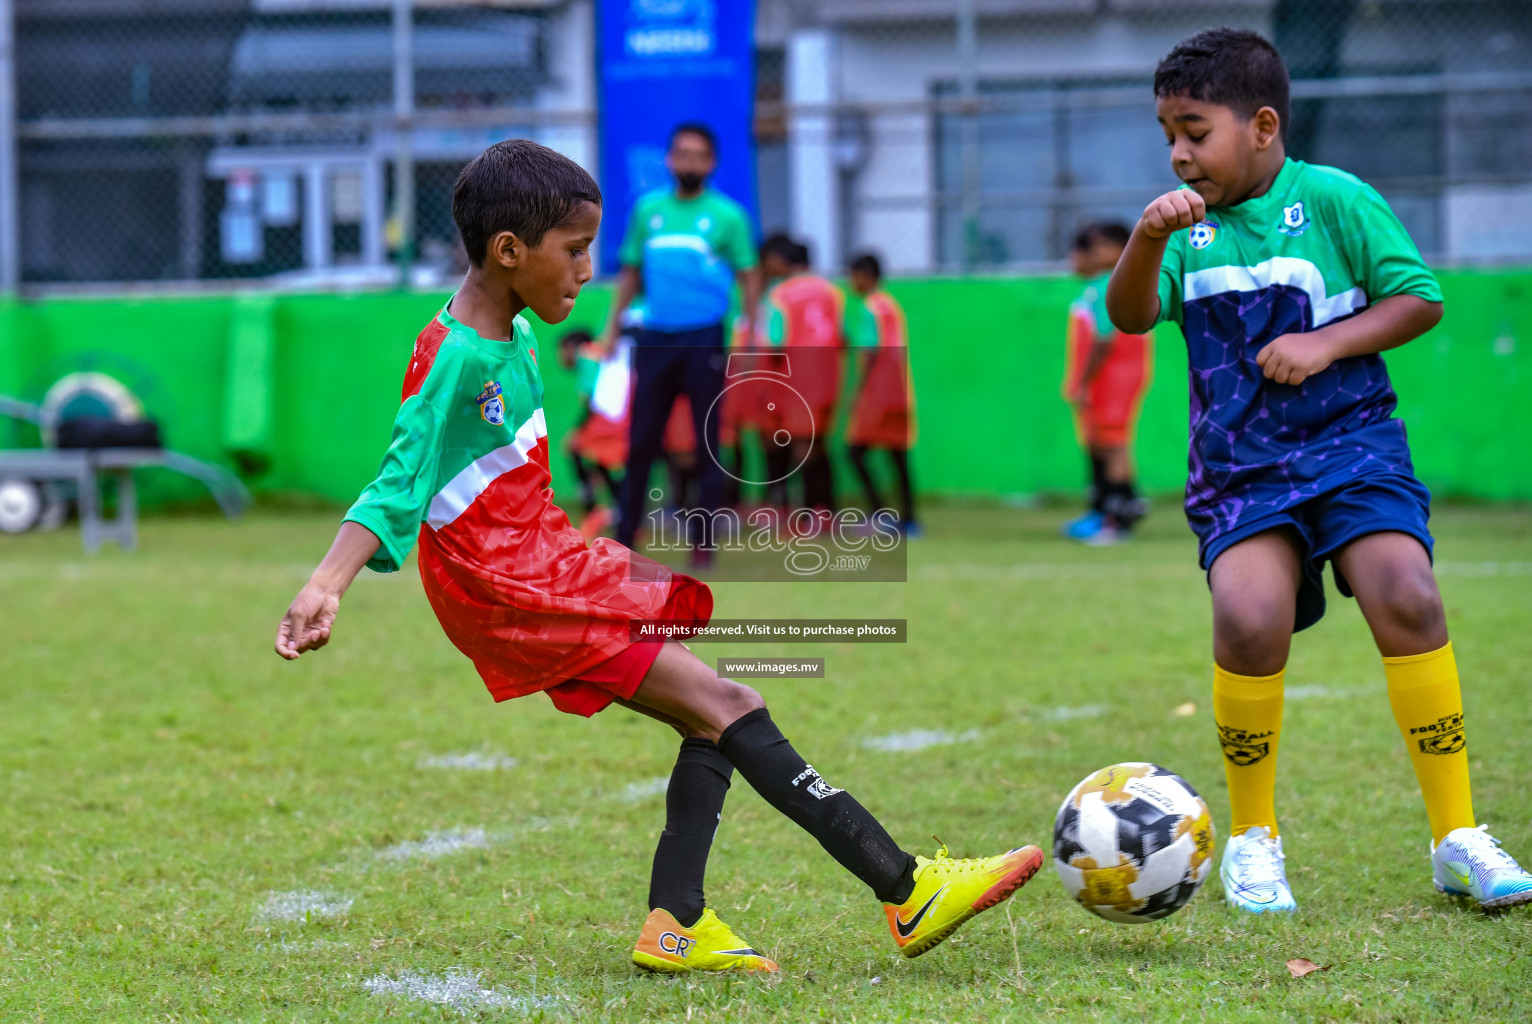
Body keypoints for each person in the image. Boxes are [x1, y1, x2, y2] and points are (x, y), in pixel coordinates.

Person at [273, 138, 1044, 974]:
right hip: (513, 584)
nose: (587, 272)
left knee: (711, 709)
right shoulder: (457, 353)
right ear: (509, 252)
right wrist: (327, 582)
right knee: (725, 700)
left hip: (545, 560)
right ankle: (905, 889)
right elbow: (401, 475)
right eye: (573, 253)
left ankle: (676, 923)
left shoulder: (514, 334)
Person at [1106, 28, 1532, 912]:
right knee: (1249, 614)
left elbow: (1417, 296)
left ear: (1262, 125)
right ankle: (1254, 841)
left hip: (1352, 447)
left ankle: (1457, 835)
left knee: (1407, 593)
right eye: (1167, 137)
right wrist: (1144, 239)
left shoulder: (1335, 199)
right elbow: (1130, 315)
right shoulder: (1183, 232)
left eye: (1195, 130)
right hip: (1241, 471)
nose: (1180, 154)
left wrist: (1324, 342)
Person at [604, 123, 762, 566]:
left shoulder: (729, 216)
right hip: (655, 340)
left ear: (711, 163)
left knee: (707, 442)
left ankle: (704, 542)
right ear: (670, 160)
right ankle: (625, 539)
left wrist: (752, 332)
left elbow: (750, 276)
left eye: (699, 156)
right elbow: (630, 274)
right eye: (682, 154)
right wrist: (611, 329)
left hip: (705, 338)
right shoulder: (647, 211)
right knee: (641, 443)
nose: (689, 162)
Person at [1062, 223, 1151, 545]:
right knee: (1101, 442)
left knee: (1114, 445)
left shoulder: (1112, 285)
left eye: (1100, 247)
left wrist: (1083, 381)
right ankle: (1105, 511)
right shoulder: (1095, 288)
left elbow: (1103, 337)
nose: (1087, 256)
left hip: (1115, 377)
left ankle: (1116, 519)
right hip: (1106, 377)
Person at [759, 234, 844, 519]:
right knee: (818, 443)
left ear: (780, 261)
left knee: (799, 447)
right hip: (829, 378)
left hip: (797, 380)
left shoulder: (780, 294)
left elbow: (775, 343)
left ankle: (810, 512)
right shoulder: (831, 291)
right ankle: (827, 508)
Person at [844, 252, 919, 536]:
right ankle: (910, 520)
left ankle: (879, 514)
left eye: (853, 275)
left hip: (877, 393)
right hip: (899, 392)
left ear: (865, 276)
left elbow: (868, 352)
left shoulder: (869, 308)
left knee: (854, 452)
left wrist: (858, 391)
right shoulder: (890, 306)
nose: (851, 282)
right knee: (898, 457)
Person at [558, 327, 625, 541]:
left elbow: (591, 398)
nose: (561, 358)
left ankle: (593, 509)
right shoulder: (598, 353)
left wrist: (577, 431)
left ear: (570, 348)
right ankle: (620, 511)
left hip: (610, 418)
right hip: (621, 415)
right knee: (600, 462)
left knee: (575, 449)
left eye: (561, 351)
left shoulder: (586, 354)